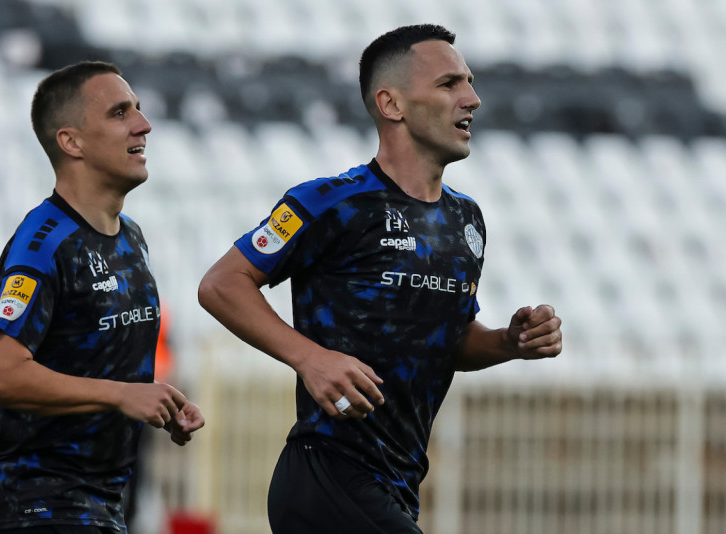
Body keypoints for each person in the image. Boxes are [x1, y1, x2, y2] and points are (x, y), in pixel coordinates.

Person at [198, 24, 562, 534]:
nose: (472, 99)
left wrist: (508, 341)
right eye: (449, 84)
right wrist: (310, 358)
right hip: (326, 473)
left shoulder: (466, 220)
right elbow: (221, 284)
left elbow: (449, 341)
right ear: (392, 104)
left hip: (398, 485)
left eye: (470, 82)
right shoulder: (331, 201)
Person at [0, 61, 205, 534]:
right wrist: (121, 395)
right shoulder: (42, 245)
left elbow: (99, 366)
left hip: (104, 503)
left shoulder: (132, 237)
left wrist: (158, 404)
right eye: (120, 113)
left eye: (138, 109)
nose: (144, 124)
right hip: (37, 506)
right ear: (71, 142)